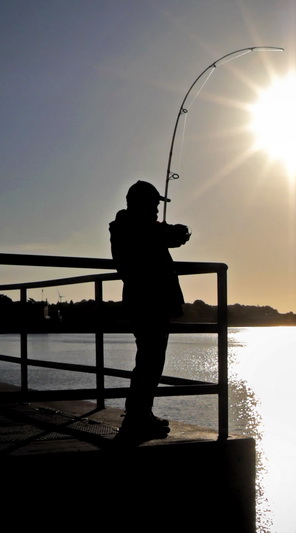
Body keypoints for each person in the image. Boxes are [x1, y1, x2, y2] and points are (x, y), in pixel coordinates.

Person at [109, 180, 191, 441]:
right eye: (154, 203)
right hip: (149, 302)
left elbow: (159, 235)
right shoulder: (135, 228)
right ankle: (138, 416)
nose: (157, 208)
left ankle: (141, 413)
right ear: (141, 203)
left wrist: (170, 231)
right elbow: (168, 236)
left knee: (148, 361)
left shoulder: (130, 227)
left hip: (143, 301)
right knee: (150, 362)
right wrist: (180, 231)